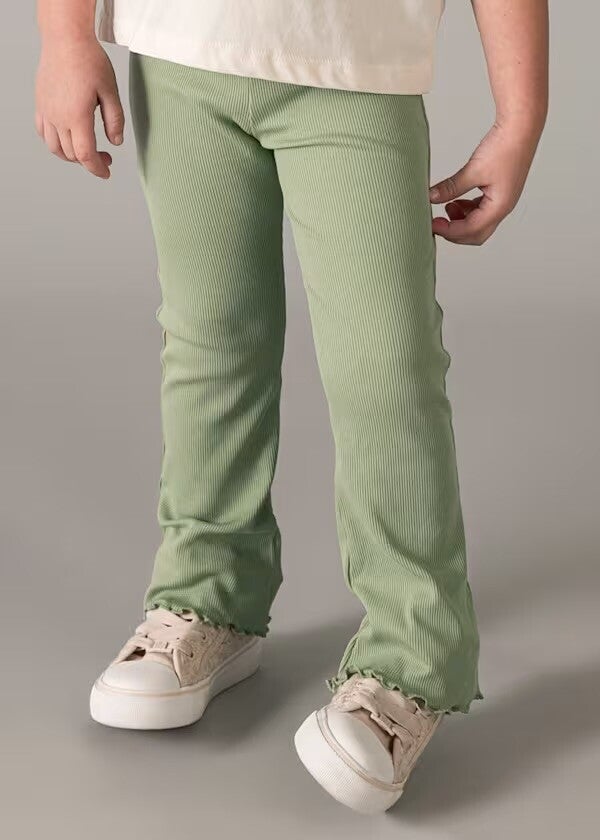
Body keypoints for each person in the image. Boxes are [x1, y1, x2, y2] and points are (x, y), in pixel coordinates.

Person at [35, 0, 549, 815]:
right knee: (210, 343)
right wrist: (64, 37)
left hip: (353, 62)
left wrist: (521, 114)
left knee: (385, 368)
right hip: (183, 52)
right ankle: (210, 593)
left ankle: (413, 661)